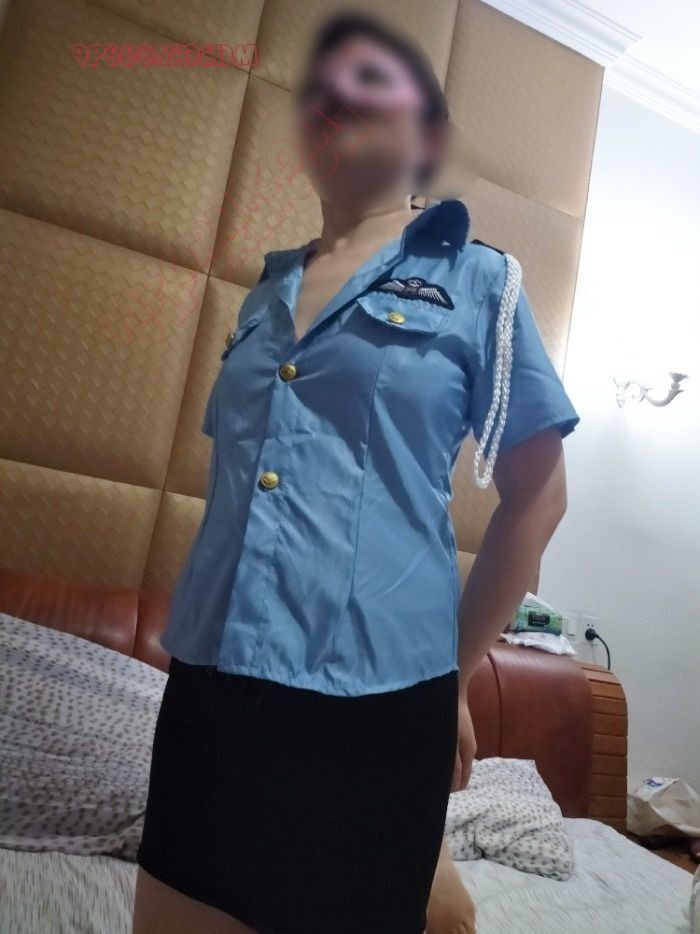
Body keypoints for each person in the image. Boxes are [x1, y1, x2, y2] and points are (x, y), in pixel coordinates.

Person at [132, 10, 580, 934]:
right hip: (214, 684)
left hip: (380, 707)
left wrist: (456, 676)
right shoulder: (264, 293)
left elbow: (540, 496)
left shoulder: (481, 282)